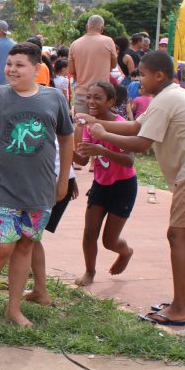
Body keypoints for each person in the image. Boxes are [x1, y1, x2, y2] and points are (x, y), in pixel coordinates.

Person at [79, 50, 185, 325]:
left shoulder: (165, 100)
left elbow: (140, 143)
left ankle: (181, 307)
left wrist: (103, 134)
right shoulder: (170, 95)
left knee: (178, 236)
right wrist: (96, 123)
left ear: (159, 75)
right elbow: (136, 126)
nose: (139, 79)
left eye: (143, 74)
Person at [0, 43, 73, 326]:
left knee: (26, 246)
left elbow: (67, 139)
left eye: (19, 65)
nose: (12, 69)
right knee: (1, 247)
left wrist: (63, 180)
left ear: (36, 68)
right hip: (3, 188)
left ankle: (14, 308)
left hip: (40, 190)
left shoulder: (54, 98)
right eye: (9, 64)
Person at [72, 82, 137, 286]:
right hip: (100, 184)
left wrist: (102, 151)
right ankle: (89, 271)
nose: (91, 101)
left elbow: (129, 161)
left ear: (111, 102)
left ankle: (125, 252)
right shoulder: (86, 126)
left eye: (97, 98)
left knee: (109, 241)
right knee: (89, 233)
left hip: (124, 186)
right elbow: (82, 160)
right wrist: (63, 146)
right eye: (89, 97)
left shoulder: (120, 125)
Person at [68, 15, 116, 164]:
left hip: (82, 91)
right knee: (100, 124)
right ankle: (95, 163)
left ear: (87, 27)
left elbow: (71, 70)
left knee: (80, 124)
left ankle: (80, 157)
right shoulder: (108, 41)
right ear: (102, 28)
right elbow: (113, 65)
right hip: (102, 94)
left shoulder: (75, 44)